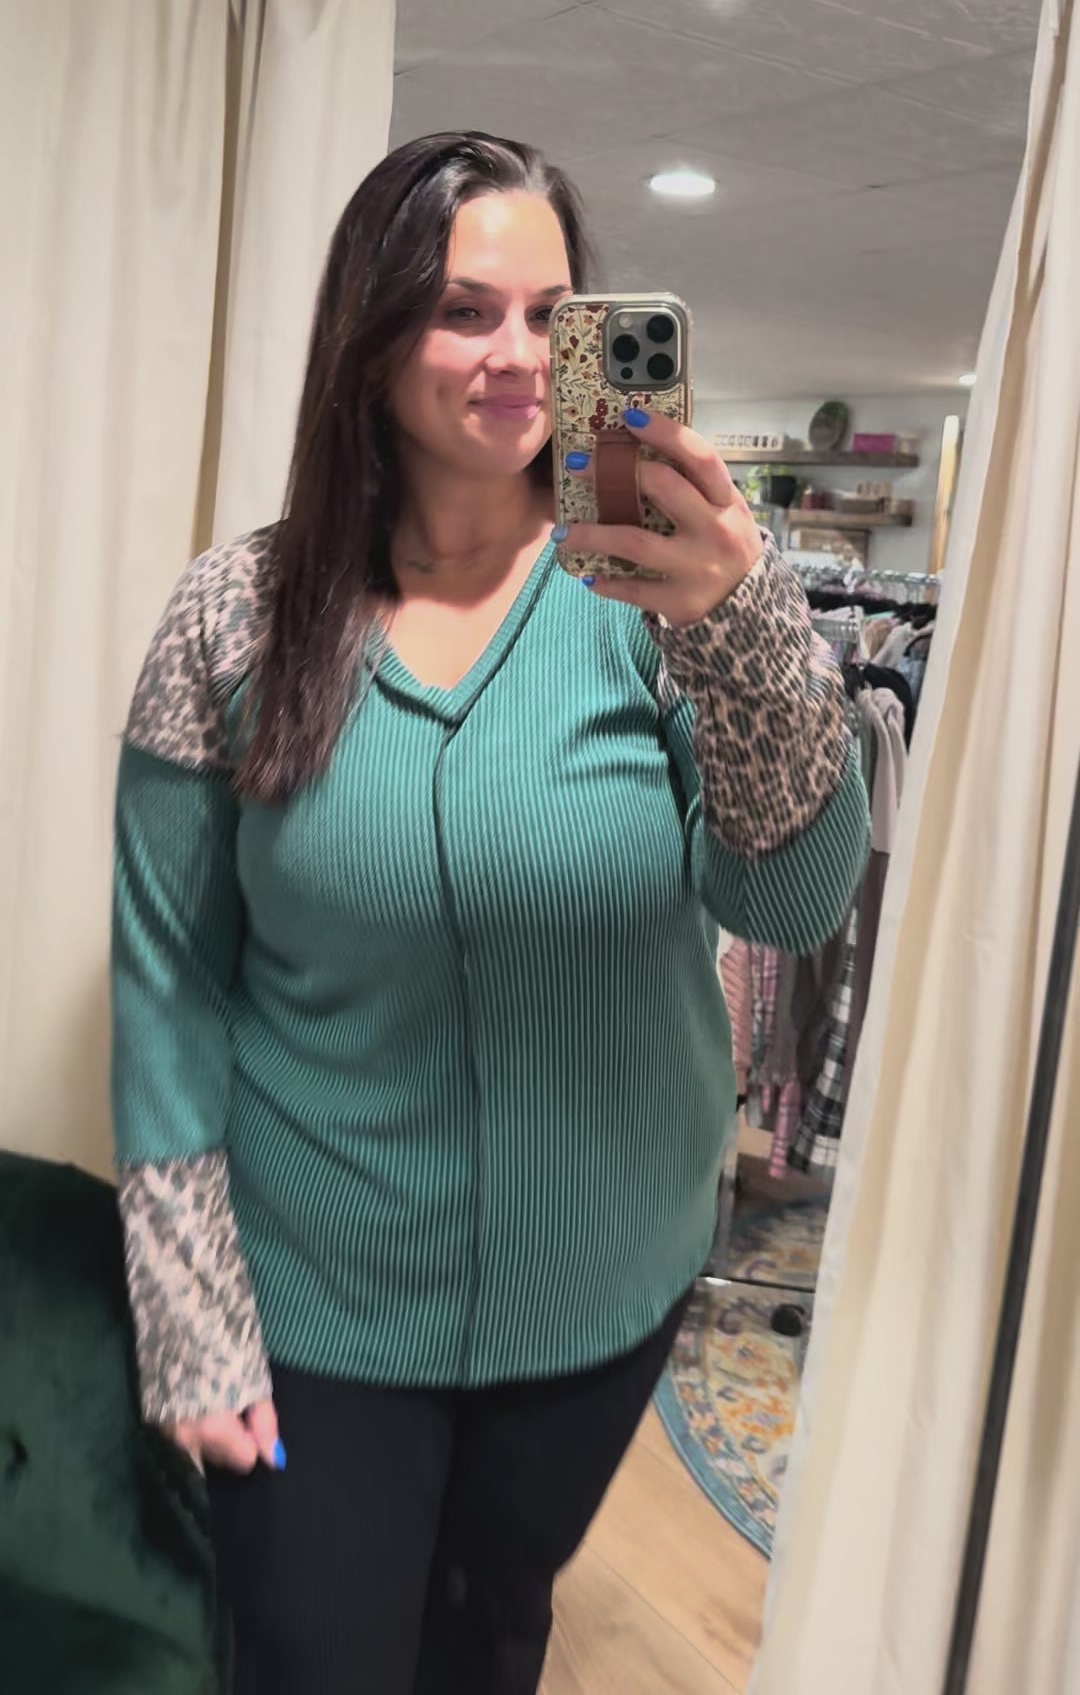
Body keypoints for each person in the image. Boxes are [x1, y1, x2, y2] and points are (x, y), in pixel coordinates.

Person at [111, 131, 869, 1695]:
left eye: (551, 314)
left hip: (598, 1294)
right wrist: (186, 1306)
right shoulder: (231, 616)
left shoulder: (663, 600)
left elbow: (791, 900)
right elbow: (171, 977)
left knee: (489, 1635)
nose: (520, 355)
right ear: (371, 330)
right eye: (465, 311)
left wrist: (739, 625)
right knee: (311, 1659)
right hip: (317, 1298)